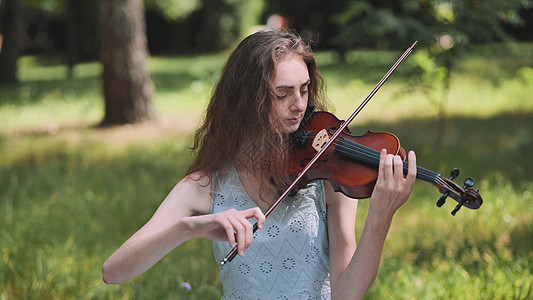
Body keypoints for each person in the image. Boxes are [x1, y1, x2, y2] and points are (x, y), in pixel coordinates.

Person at [102, 29, 417, 299]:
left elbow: (347, 295)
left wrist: (380, 216)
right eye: (282, 93)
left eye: (305, 90)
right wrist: (189, 228)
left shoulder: (327, 174)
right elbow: (114, 271)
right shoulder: (205, 185)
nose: (299, 105)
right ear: (247, 100)